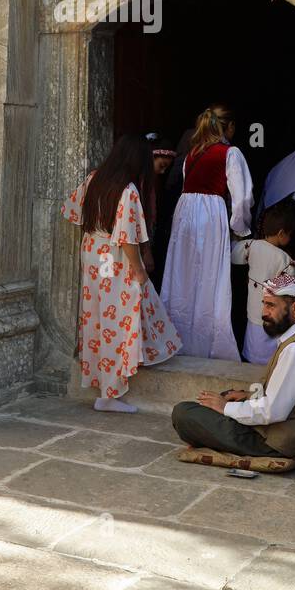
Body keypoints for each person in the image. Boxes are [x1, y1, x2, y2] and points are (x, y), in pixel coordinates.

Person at [61, 134, 182, 414]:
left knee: (99, 316)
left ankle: (102, 379)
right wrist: (139, 270)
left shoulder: (94, 178)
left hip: (93, 251)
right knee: (117, 319)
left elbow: (74, 214)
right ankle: (110, 392)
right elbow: (127, 238)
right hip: (113, 255)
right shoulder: (127, 191)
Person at [171, 271, 295, 462]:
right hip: (285, 430)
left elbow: (272, 411)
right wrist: (247, 397)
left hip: (277, 442)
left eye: (271, 305)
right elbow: (289, 396)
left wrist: (225, 408)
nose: (264, 313)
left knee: (184, 414)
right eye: (264, 305)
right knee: (226, 398)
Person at [160, 104, 253, 361]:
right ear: (230, 127)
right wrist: (240, 228)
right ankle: (206, 342)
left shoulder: (191, 154)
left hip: (186, 212)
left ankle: (177, 338)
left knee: (183, 275)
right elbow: (242, 197)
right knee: (211, 276)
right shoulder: (230, 153)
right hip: (211, 212)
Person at [231, 202, 295, 366]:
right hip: (272, 315)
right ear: (282, 233)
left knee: (252, 345)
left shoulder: (251, 246)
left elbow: (234, 254)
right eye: (290, 234)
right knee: (270, 352)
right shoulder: (285, 260)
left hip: (252, 309)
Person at [141, 132, 176, 289]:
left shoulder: (152, 180)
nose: (162, 172)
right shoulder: (140, 182)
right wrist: (147, 250)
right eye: (162, 166)